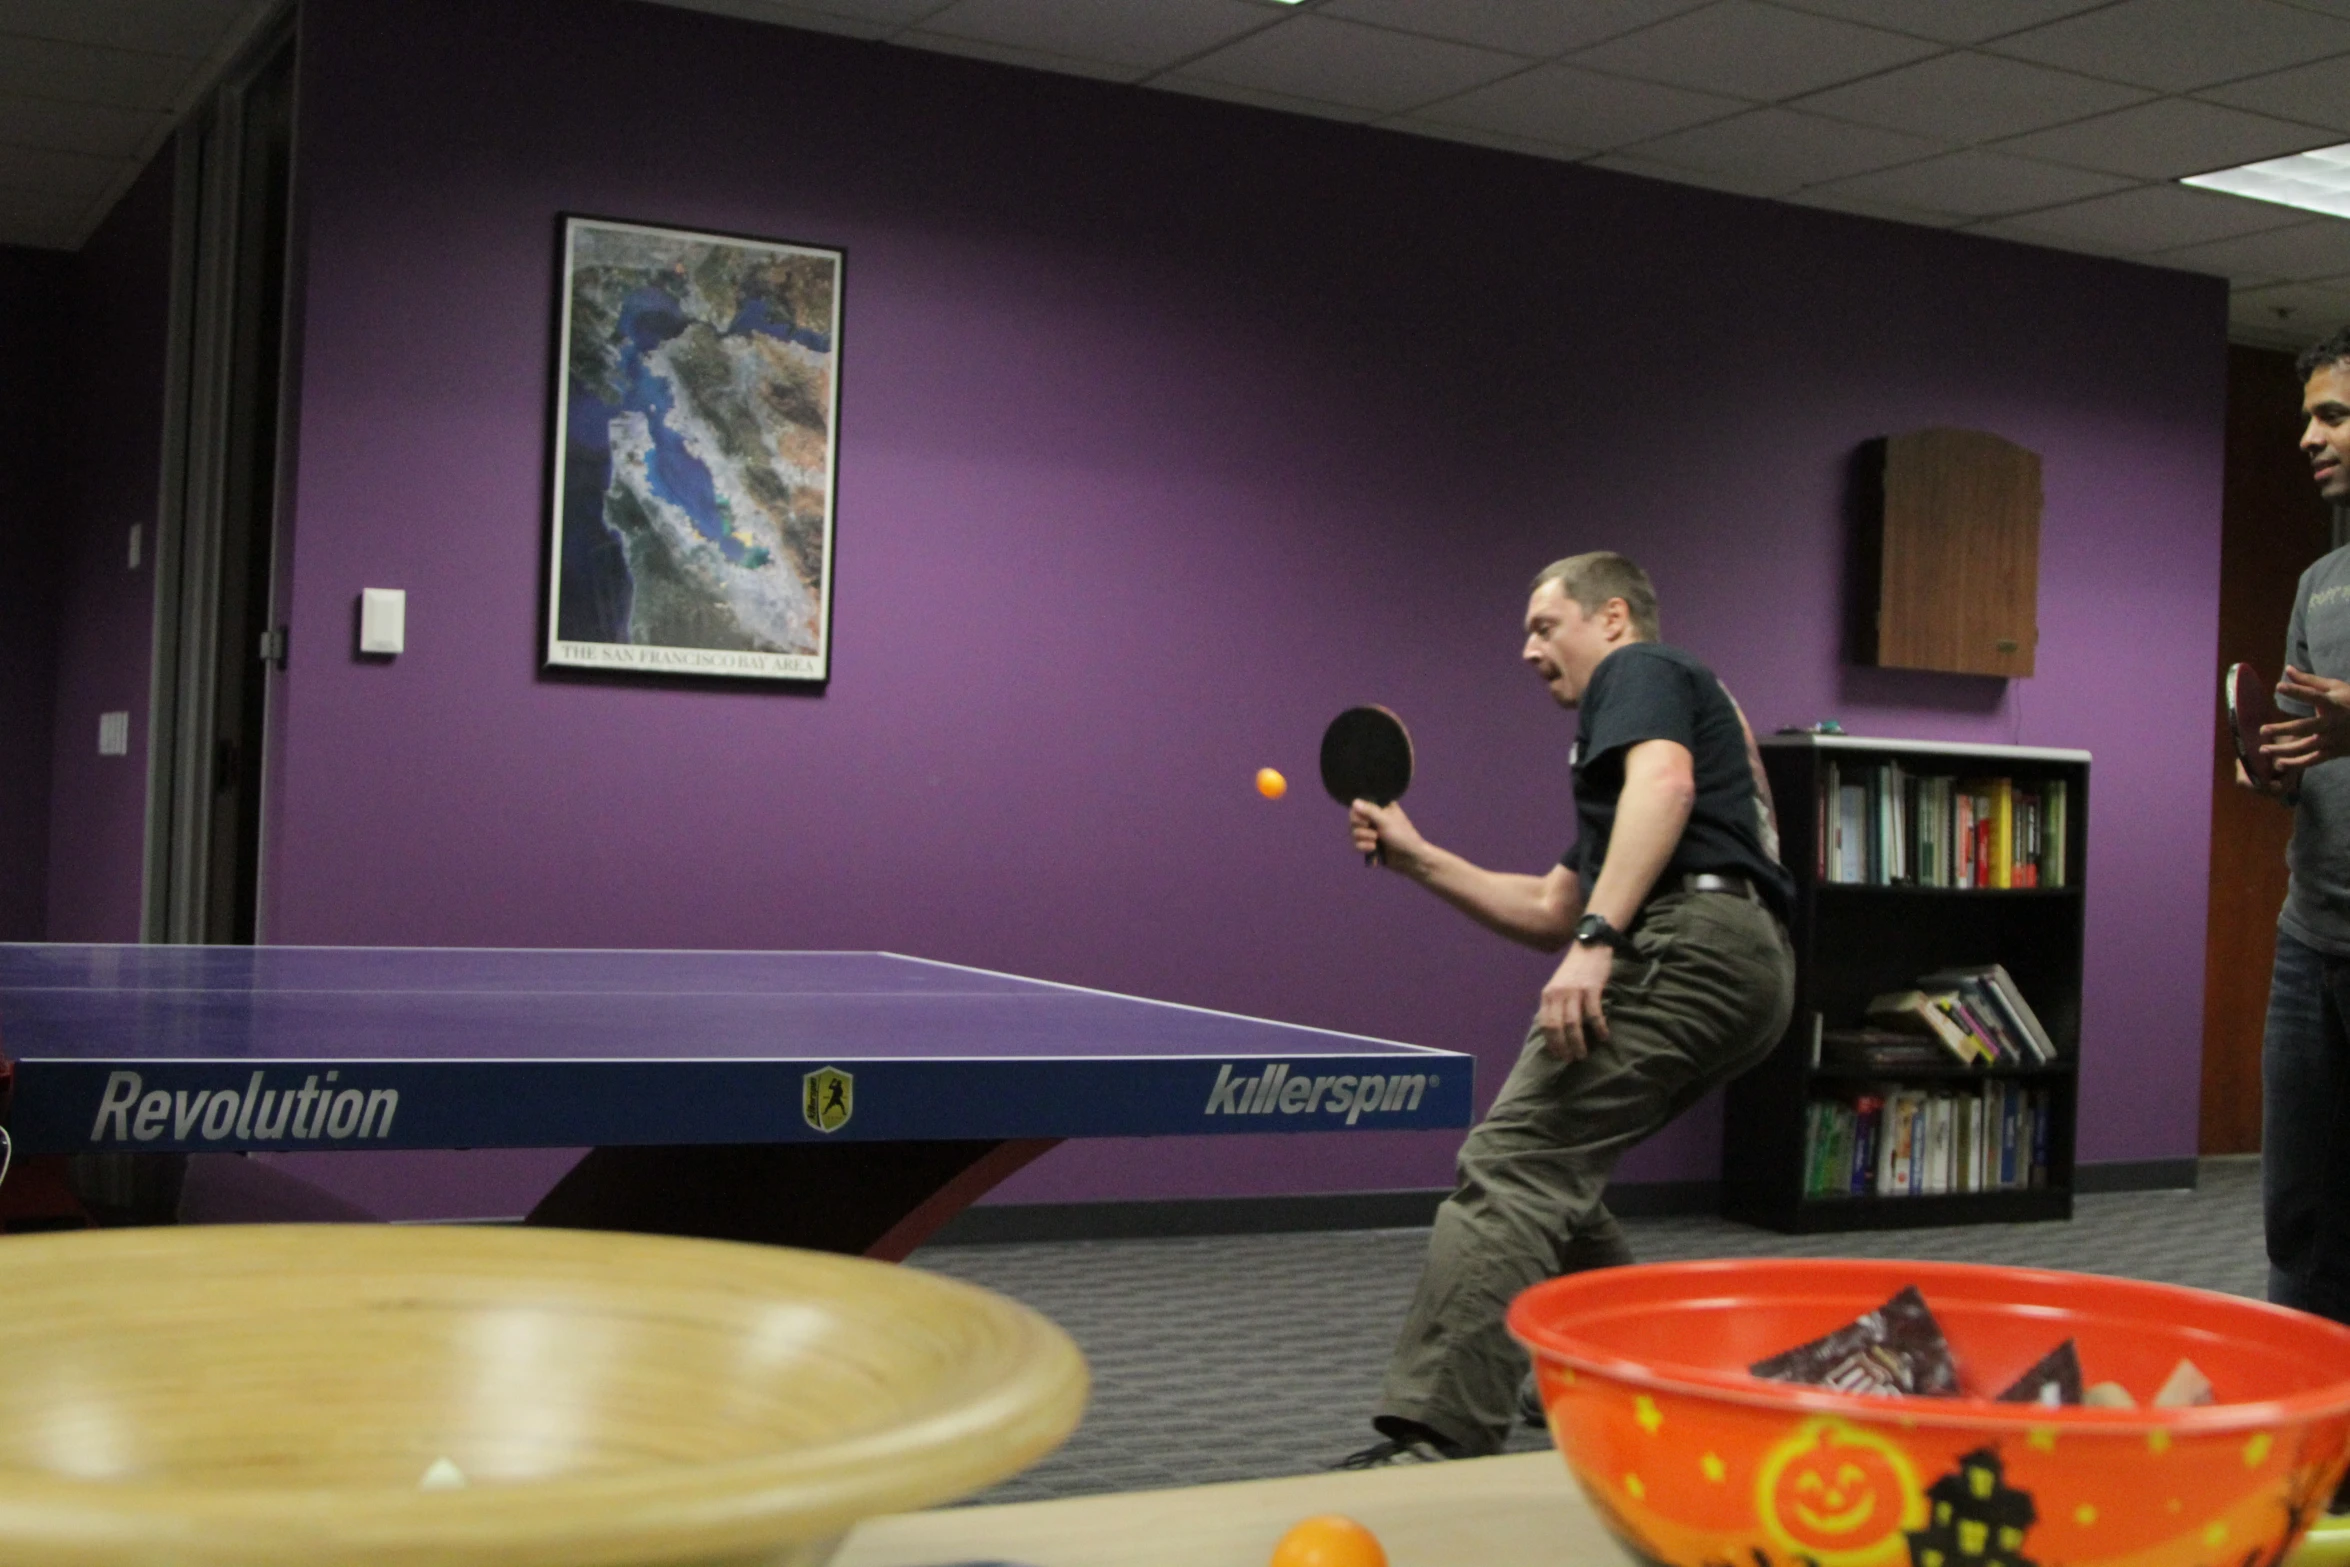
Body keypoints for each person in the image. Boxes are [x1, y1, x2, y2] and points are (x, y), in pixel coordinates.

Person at [1338, 551, 1795, 1464]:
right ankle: (1632, 1387)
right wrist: (1417, 855)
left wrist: (1600, 941)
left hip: (1692, 939)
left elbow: (1661, 796)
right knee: (1560, 1175)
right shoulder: (1630, 747)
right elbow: (1550, 907)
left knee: (1512, 1160)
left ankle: (1438, 1436)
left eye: (1545, 625)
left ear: (1614, 617)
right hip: (1741, 958)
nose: (1527, 649)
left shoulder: (1643, 671)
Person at [2245, 324, 2350, 1331]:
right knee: (2303, 1222)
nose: (2310, 437)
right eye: (2309, 417)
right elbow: (2303, 740)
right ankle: (2314, 1462)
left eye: (2333, 415)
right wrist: (2267, 765)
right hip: (2310, 939)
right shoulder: (2321, 581)